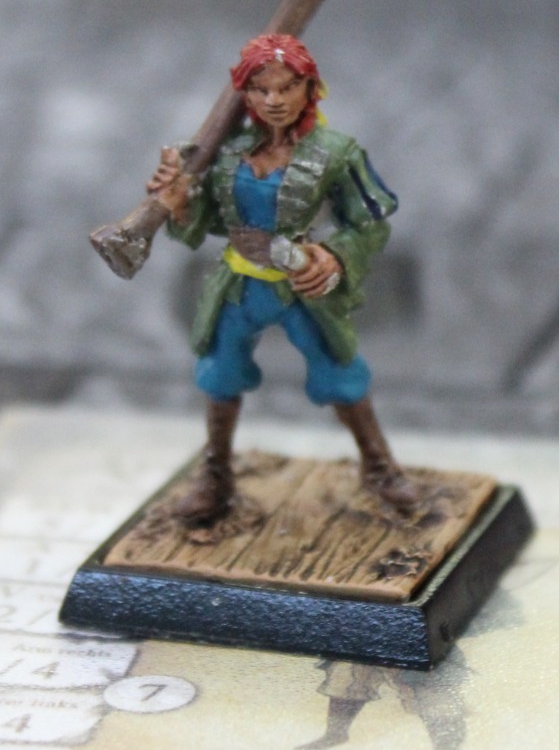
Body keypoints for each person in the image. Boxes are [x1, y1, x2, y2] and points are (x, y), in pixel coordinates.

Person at [146, 33, 417, 525]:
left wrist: (333, 256)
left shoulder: (335, 152)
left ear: (310, 88)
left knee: (339, 369)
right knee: (219, 372)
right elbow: (204, 224)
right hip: (238, 285)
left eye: (287, 87)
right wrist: (180, 203)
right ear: (244, 94)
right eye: (261, 89)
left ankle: (379, 465)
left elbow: (372, 223)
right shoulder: (227, 152)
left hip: (301, 288)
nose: (274, 100)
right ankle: (216, 473)